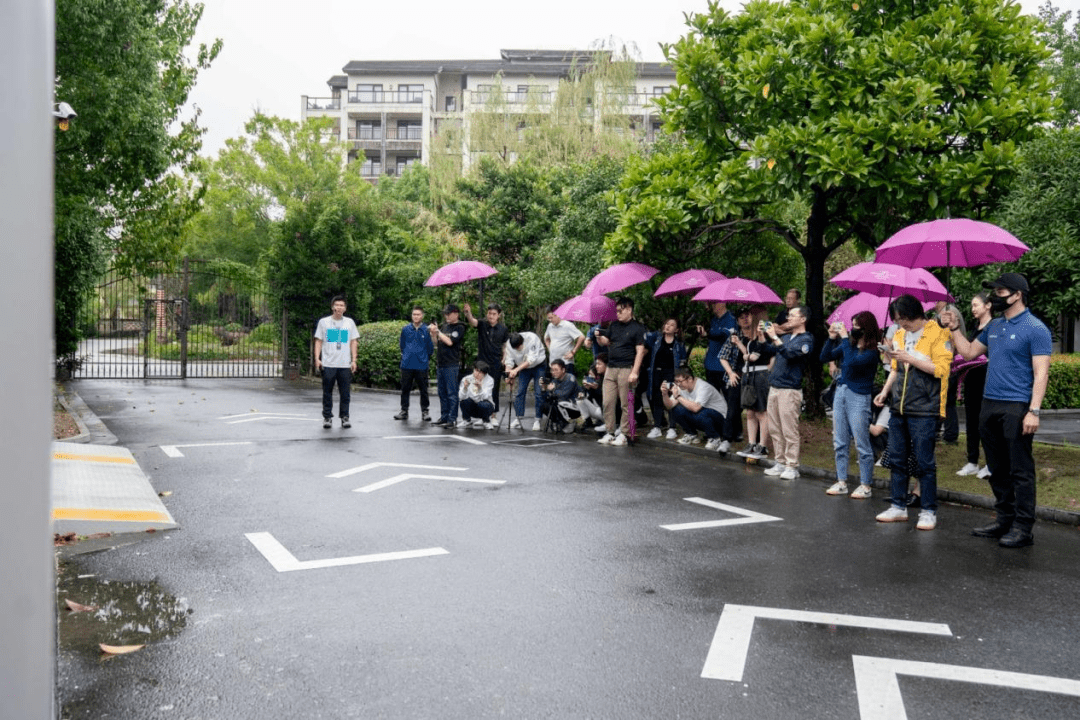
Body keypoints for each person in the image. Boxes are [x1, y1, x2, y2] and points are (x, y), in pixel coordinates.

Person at [942, 273, 1051, 548]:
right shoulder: (994, 327)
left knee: (1020, 469)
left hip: (1017, 406)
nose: (995, 297)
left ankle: (1023, 528)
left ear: (1018, 295)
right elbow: (967, 352)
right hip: (989, 404)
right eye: (995, 291)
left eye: (1001, 292)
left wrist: (1033, 411)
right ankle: (1005, 519)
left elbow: (1041, 373)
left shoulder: (1036, 328)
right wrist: (955, 328)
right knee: (996, 468)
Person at [873, 295, 953, 531]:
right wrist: (885, 392)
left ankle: (929, 510)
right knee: (897, 459)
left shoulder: (938, 334)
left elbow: (942, 370)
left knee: (924, 461)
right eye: (898, 320)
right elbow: (896, 369)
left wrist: (911, 358)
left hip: (925, 408)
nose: (901, 324)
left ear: (916, 314)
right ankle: (898, 506)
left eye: (904, 319)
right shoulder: (899, 335)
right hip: (899, 406)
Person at [821, 311, 882, 499]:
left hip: (859, 396)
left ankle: (866, 484)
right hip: (841, 391)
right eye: (852, 324)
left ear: (866, 328)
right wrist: (831, 339)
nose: (853, 328)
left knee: (861, 441)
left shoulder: (872, 352)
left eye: (857, 325)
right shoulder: (850, 345)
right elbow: (825, 356)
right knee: (840, 440)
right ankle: (841, 481)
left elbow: (853, 363)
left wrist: (845, 339)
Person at [761, 305, 813, 480]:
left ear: (803, 319)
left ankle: (792, 465)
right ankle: (780, 462)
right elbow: (770, 350)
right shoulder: (788, 337)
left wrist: (776, 337)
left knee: (789, 430)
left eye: (792, 316)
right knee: (775, 428)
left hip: (790, 390)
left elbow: (790, 354)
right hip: (775, 387)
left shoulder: (806, 339)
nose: (788, 318)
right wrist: (765, 336)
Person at [595, 297, 648, 447]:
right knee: (608, 402)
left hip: (627, 368)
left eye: (620, 310)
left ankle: (624, 433)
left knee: (626, 403)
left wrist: (635, 372)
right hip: (611, 368)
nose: (617, 313)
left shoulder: (638, 328)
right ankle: (610, 432)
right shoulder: (614, 326)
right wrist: (599, 338)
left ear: (629, 310)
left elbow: (640, 351)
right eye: (616, 311)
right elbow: (606, 341)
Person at [954, 292, 993, 478]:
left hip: (987, 380)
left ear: (988, 305)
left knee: (986, 424)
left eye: (976, 304)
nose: (973, 309)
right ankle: (972, 461)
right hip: (971, 379)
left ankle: (990, 463)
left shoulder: (994, 327)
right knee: (971, 422)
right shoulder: (975, 328)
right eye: (972, 305)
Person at [313, 295, 359, 429]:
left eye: (342, 305)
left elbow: (353, 341)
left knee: (345, 393)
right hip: (328, 364)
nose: (339, 307)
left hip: (345, 364)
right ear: (332, 306)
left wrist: (354, 360)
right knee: (327, 392)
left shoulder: (349, 322)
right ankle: (327, 417)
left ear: (345, 308)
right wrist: (317, 358)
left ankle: (345, 417)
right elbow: (319, 341)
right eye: (337, 305)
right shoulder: (324, 322)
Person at [733, 305, 773, 460]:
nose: (748, 318)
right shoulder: (751, 337)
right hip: (748, 374)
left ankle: (762, 446)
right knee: (750, 411)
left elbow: (757, 356)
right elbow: (749, 354)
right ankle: (751, 443)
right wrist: (739, 344)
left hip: (760, 374)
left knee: (761, 411)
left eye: (751, 315)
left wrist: (748, 357)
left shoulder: (764, 335)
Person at [661, 367, 728, 451]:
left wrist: (678, 396)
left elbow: (696, 408)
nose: (678, 384)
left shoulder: (703, 387)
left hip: (721, 421)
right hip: (704, 419)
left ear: (689, 379)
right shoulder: (681, 387)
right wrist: (664, 394)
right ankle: (691, 434)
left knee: (700, 412)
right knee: (676, 409)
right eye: (676, 382)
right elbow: (669, 406)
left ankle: (715, 438)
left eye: (680, 381)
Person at [717, 308, 756, 452]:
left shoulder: (758, 336)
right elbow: (722, 357)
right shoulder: (734, 336)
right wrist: (731, 373)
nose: (745, 319)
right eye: (741, 318)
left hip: (754, 376)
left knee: (755, 410)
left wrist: (739, 343)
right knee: (732, 408)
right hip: (737, 375)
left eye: (747, 316)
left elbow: (752, 355)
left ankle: (756, 442)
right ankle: (726, 439)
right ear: (737, 322)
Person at [463, 302, 509, 414]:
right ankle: (480, 415)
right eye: (489, 313)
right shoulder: (483, 323)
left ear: (499, 315)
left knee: (493, 389)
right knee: (477, 387)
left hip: (495, 362)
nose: (491, 316)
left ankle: (493, 414)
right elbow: (473, 322)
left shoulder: (503, 328)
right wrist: (468, 313)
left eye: (494, 314)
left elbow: (505, 346)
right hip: (482, 362)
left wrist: (504, 359)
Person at [645, 318, 687, 440]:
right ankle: (657, 427)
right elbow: (645, 340)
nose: (668, 326)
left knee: (671, 399)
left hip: (671, 374)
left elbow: (683, 362)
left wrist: (679, 378)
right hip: (656, 373)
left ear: (676, 330)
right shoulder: (656, 340)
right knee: (657, 399)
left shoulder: (679, 345)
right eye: (666, 324)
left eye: (672, 325)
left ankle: (672, 427)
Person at [429, 304, 466, 428]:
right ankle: (444, 416)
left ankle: (452, 418)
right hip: (441, 363)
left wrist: (438, 331)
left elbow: (450, 342)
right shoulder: (444, 326)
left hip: (451, 364)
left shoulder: (460, 327)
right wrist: (434, 334)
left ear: (456, 314)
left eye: (448, 313)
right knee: (442, 393)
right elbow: (436, 343)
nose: (446, 316)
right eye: (445, 314)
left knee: (451, 393)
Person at [395, 306, 434, 422]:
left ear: (422, 316)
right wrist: (407, 355)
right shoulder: (405, 329)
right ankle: (404, 411)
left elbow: (430, 349)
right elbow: (402, 345)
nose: (416, 316)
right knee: (405, 389)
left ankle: (425, 411)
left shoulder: (427, 330)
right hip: (407, 364)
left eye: (418, 314)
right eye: (414, 314)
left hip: (421, 365)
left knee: (423, 389)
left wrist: (424, 357)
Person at [696, 301, 736, 411]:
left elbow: (723, 335)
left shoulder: (731, 319)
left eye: (714, 302)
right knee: (712, 399)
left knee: (729, 399)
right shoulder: (713, 319)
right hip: (710, 364)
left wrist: (706, 334)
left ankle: (732, 426)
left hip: (724, 366)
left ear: (723, 303)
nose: (712, 305)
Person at [937, 301, 968, 444]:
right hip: (948, 362)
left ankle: (950, 435)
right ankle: (944, 432)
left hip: (949, 363)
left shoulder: (949, 312)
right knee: (945, 401)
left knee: (947, 401)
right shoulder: (944, 312)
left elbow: (952, 338)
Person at [504, 330, 547, 430]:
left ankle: (538, 419)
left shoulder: (532, 338)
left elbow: (531, 359)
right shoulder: (509, 344)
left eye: (519, 347)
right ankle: (518, 418)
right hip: (523, 367)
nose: (518, 349)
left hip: (538, 365)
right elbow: (509, 360)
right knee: (520, 391)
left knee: (539, 392)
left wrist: (516, 370)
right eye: (516, 348)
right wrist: (508, 374)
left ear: (522, 342)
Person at [540, 358, 583, 432]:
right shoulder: (555, 379)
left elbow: (563, 395)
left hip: (575, 407)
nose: (553, 372)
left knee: (560, 403)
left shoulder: (570, 378)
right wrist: (544, 388)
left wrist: (553, 389)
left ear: (563, 370)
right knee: (544, 406)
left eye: (556, 370)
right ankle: (560, 422)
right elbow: (548, 397)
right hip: (563, 405)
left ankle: (571, 422)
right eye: (552, 370)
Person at [458, 360, 496, 429]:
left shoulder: (489, 380)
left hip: (485, 407)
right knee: (464, 401)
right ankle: (466, 420)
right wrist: (465, 388)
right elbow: (460, 397)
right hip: (472, 407)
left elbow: (486, 397)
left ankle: (486, 421)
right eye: (476, 370)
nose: (477, 374)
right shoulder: (467, 378)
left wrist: (479, 388)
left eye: (480, 372)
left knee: (484, 404)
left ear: (484, 374)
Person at [577, 354, 608, 433]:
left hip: (607, 412)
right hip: (598, 411)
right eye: (589, 375)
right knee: (579, 398)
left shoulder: (605, 379)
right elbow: (584, 396)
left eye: (599, 364)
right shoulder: (593, 382)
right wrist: (586, 389)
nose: (590, 377)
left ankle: (608, 424)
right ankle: (588, 422)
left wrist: (596, 388)